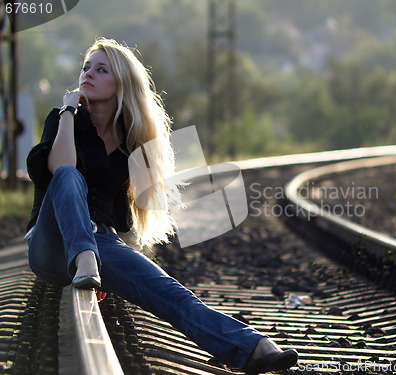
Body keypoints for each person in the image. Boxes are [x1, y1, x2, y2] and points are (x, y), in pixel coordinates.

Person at [24, 38, 298, 373]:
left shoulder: (130, 142)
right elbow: (59, 169)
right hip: (52, 242)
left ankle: (251, 347)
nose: (88, 75)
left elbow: (123, 215)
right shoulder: (62, 119)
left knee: (170, 293)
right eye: (86, 67)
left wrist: (120, 263)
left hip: (102, 243)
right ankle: (84, 260)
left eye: (100, 69)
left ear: (122, 83)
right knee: (68, 177)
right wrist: (68, 110)